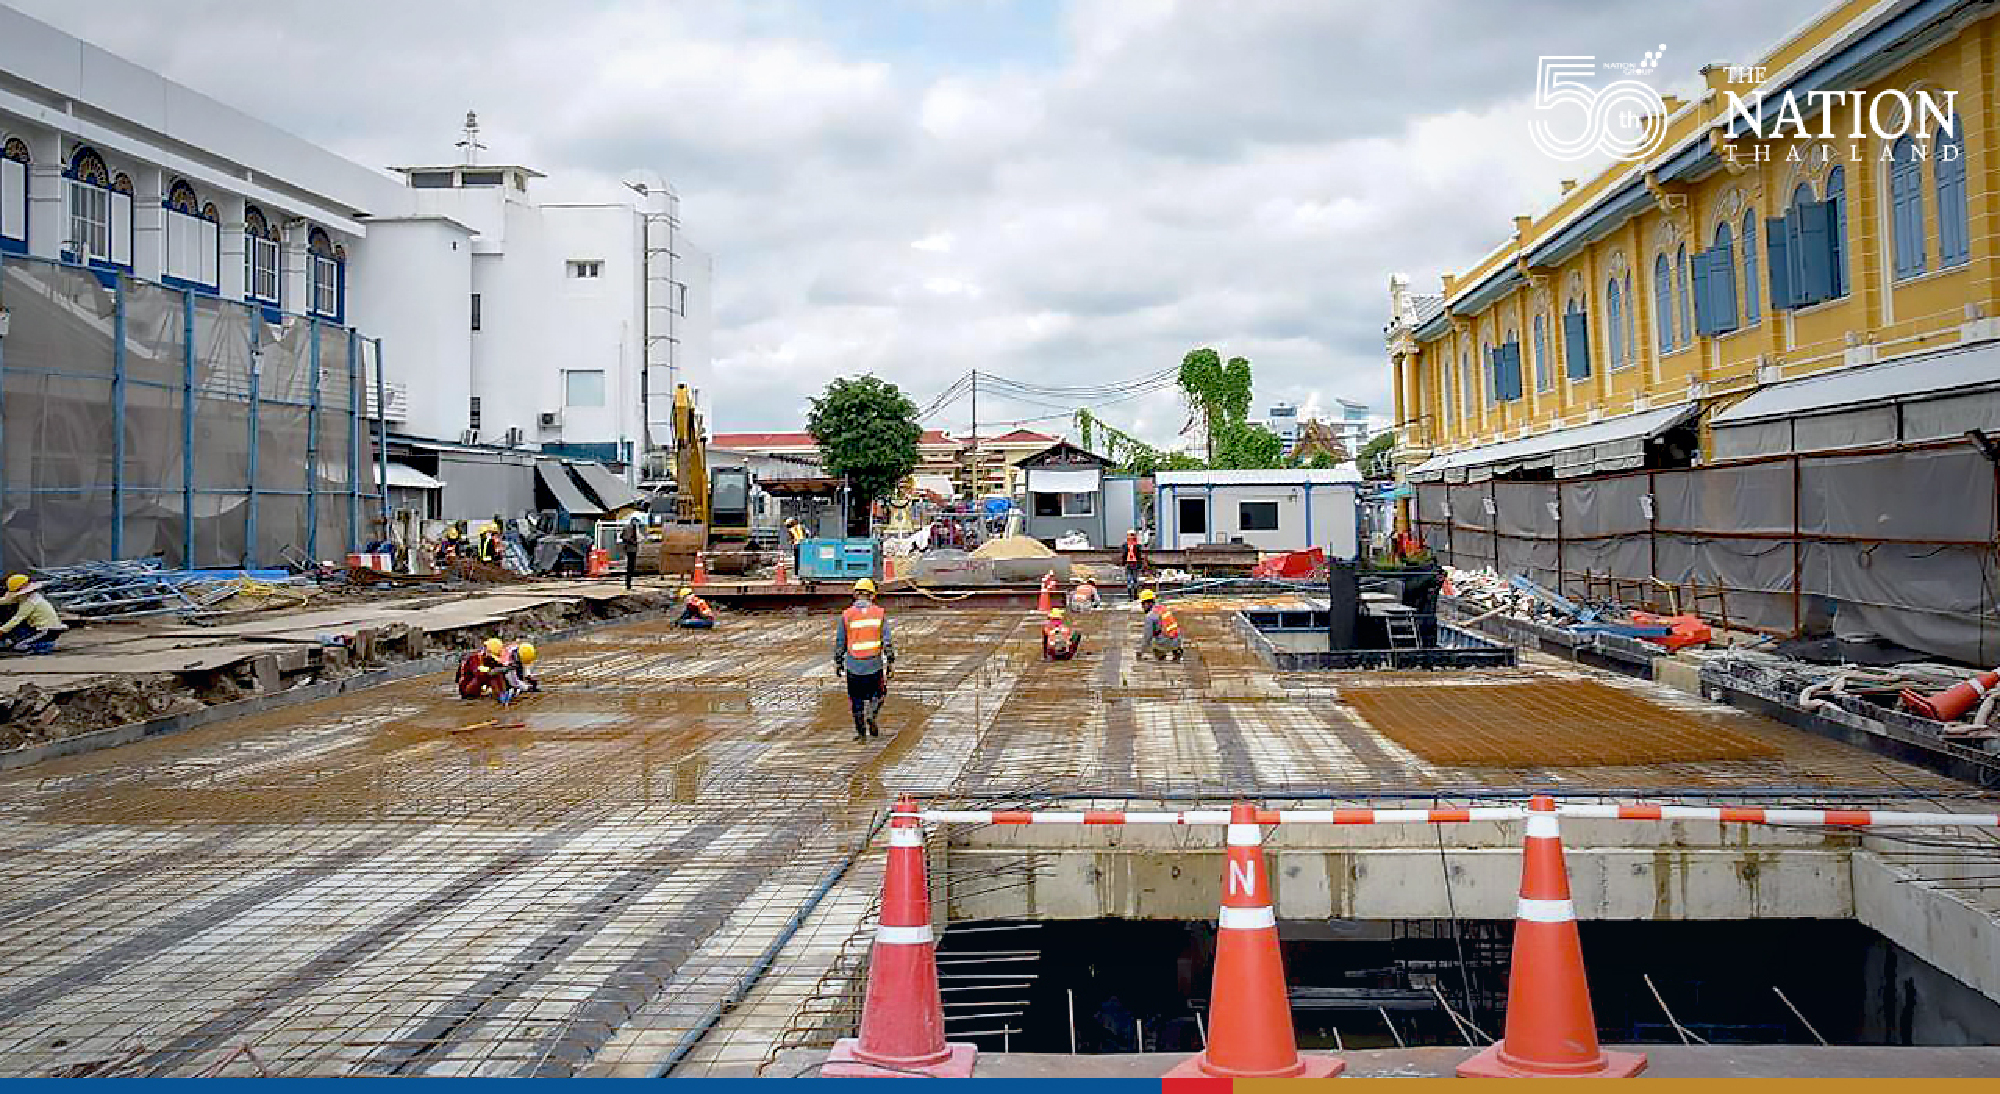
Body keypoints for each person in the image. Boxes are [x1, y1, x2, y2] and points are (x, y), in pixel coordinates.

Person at [834, 577, 893, 741]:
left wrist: (838, 662)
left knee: (856, 700)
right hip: (874, 665)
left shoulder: (846, 615)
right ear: (872, 596)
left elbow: (840, 642)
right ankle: (872, 713)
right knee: (879, 694)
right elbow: (887, 641)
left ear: (855, 595)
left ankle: (861, 735)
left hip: (853, 666)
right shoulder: (879, 613)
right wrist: (891, 662)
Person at [0, 575, 64, 654]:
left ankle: (47, 645)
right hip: (39, 628)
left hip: (47, 629)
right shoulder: (27, 596)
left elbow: (18, 618)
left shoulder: (30, 602)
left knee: (20, 646)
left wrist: (2, 630)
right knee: (18, 634)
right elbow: (8, 600)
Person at [1138, 588, 1182, 662]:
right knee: (1161, 632)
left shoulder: (1150, 616)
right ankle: (1176, 651)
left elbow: (1147, 636)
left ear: (1148, 603)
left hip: (1167, 641)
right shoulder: (1163, 608)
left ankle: (1161, 654)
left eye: (1143, 604)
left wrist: (1141, 651)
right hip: (1178, 640)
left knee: (1152, 640)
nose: (1142, 607)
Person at [620, 516, 643, 590]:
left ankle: (629, 583)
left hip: (632, 549)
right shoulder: (629, 528)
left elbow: (622, 536)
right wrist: (634, 542)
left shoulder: (633, 528)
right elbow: (626, 537)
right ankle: (628, 584)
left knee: (631, 567)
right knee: (630, 566)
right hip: (630, 549)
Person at [1122, 530, 1146, 598]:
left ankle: (1135, 595)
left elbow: (1139, 555)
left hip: (1135, 563)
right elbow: (1124, 555)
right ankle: (1130, 596)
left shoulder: (1137, 546)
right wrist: (1124, 563)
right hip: (1128, 563)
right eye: (1130, 535)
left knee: (1135, 579)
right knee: (1129, 579)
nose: (1131, 537)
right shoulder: (1125, 545)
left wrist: (1140, 565)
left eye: (1132, 535)